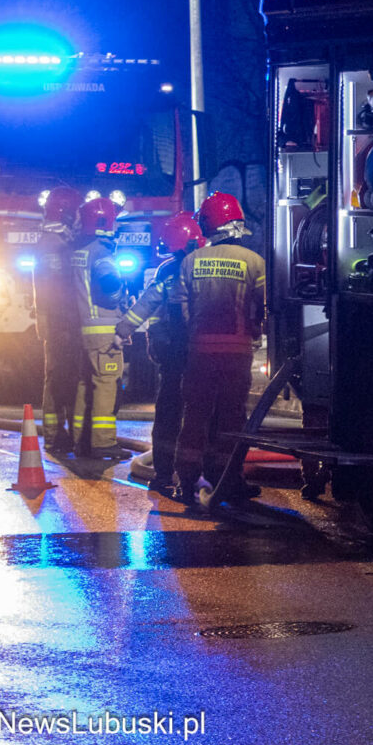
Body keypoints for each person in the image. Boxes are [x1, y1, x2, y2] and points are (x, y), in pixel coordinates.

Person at [173, 192, 266, 508]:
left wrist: (194, 334)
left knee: (195, 417)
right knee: (232, 419)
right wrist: (255, 331)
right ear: (236, 224)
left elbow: (180, 309)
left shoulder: (190, 261)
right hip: (237, 354)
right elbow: (264, 306)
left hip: (199, 353)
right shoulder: (254, 262)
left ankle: (185, 481)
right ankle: (229, 480)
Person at [113, 211, 203, 497]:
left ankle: (165, 473)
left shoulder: (168, 269)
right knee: (201, 414)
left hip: (175, 354)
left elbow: (148, 302)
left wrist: (124, 328)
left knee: (169, 413)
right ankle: (199, 473)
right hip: (203, 353)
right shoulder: (204, 265)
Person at [70, 197, 131, 461]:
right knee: (107, 385)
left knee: (86, 385)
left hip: (85, 330)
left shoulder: (79, 250)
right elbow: (109, 286)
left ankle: (80, 440)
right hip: (104, 331)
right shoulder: (103, 254)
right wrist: (121, 296)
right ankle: (103, 442)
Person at [33, 188, 84, 455]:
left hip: (57, 319)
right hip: (61, 320)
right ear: (66, 213)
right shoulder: (59, 244)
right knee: (61, 377)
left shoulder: (51, 240)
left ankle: (58, 435)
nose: (78, 217)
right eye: (76, 212)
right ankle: (59, 436)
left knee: (58, 376)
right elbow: (61, 285)